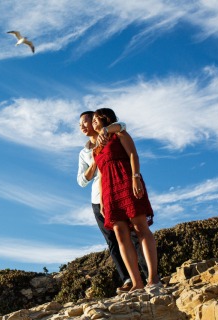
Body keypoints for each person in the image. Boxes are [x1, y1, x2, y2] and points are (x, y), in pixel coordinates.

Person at [77, 111, 147, 294]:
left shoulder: (112, 135)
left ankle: (149, 275)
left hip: (118, 188)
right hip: (98, 198)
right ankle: (128, 279)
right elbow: (81, 181)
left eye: (87, 122)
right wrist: (93, 165)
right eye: (81, 124)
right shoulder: (85, 153)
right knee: (113, 240)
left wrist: (135, 177)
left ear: (97, 122)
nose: (83, 126)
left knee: (134, 234)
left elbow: (122, 127)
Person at [91, 108, 160, 293]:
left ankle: (153, 279)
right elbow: (101, 175)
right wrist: (103, 202)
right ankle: (137, 283)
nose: (94, 122)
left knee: (140, 228)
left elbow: (133, 155)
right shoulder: (95, 149)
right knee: (121, 234)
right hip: (109, 190)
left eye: (97, 118)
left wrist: (135, 177)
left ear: (106, 119)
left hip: (126, 180)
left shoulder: (120, 133)